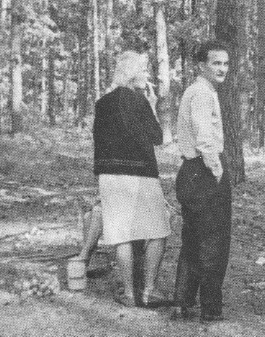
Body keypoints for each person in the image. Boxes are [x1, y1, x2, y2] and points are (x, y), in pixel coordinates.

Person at [93, 50, 171, 307]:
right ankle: (148, 290)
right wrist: (152, 104)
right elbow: (158, 137)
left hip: (110, 174)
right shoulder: (140, 102)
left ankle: (129, 293)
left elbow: (99, 142)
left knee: (122, 234)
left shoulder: (102, 103)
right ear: (132, 74)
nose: (148, 76)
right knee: (157, 229)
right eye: (144, 71)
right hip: (142, 174)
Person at [172, 40, 232, 322]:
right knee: (213, 242)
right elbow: (204, 136)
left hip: (192, 171)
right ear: (201, 65)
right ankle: (210, 309)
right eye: (216, 63)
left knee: (194, 238)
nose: (222, 68)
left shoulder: (201, 91)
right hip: (202, 172)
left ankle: (182, 300)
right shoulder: (202, 94)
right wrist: (217, 171)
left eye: (225, 63)